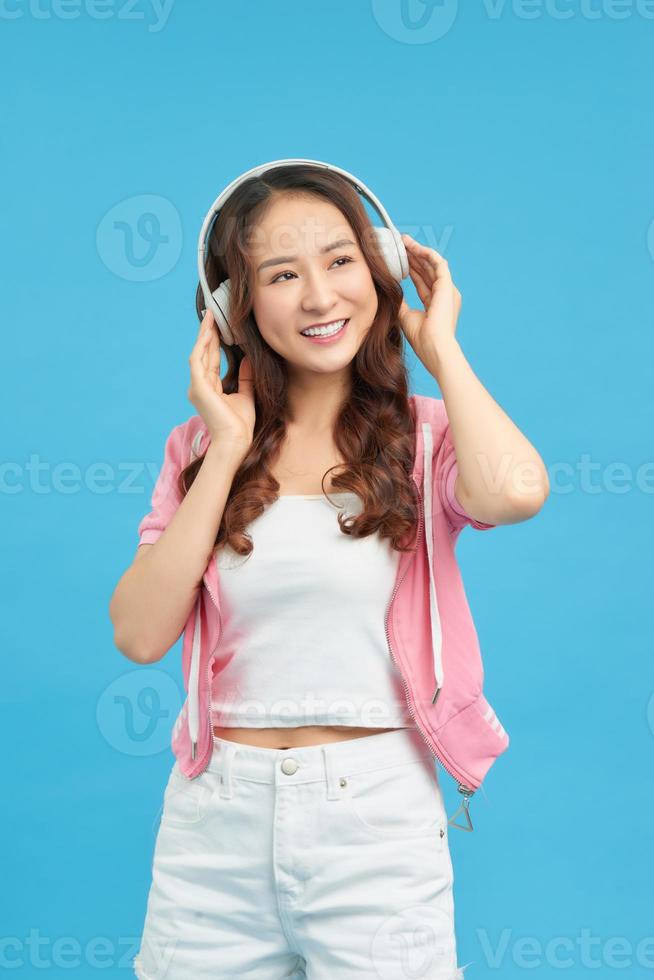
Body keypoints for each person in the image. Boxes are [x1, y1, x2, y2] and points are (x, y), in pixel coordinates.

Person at [110, 162, 549, 979]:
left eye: (341, 260)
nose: (320, 297)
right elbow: (138, 634)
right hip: (216, 824)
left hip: (375, 814)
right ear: (231, 309)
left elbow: (518, 493)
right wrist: (228, 447)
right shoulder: (198, 451)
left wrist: (442, 350)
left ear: (379, 271)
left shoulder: (424, 440)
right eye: (283, 274)